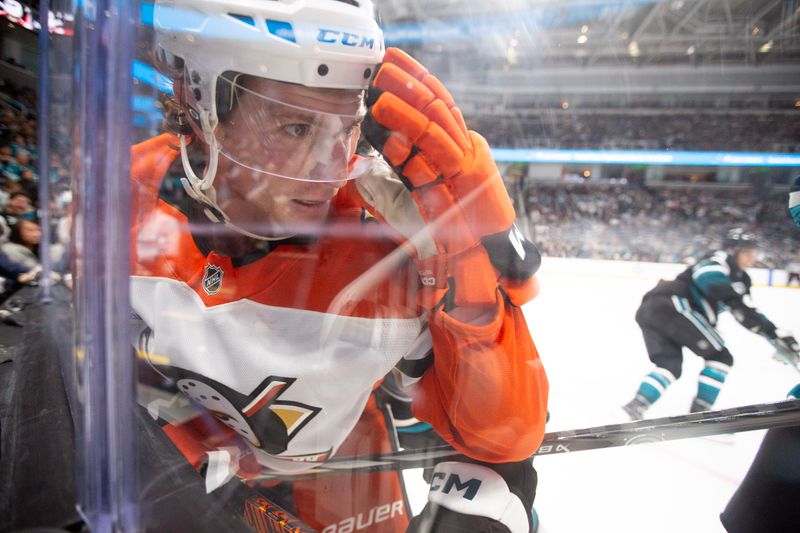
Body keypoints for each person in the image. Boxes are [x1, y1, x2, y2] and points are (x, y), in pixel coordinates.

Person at [131, 1, 548, 532]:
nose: (329, 171)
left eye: (347, 129)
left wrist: (465, 262)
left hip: (344, 491)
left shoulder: (386, 243)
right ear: (197, 100)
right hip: (180, 487)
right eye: (296, 128)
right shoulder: (126, 192)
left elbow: (504, 435)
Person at [622, 228, 800, 420]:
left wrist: (774, 333)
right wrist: (734, 301)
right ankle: (700, 415)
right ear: (733, 249)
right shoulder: (721, 259)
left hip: (655, 308)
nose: (752, 258)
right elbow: (709, 278)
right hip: (674, 305)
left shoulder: (741, 279)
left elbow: (746, 313)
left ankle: (634, 407)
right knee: (720, 357)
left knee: (669, 365)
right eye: (748, 252)